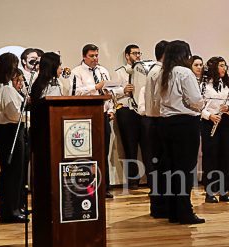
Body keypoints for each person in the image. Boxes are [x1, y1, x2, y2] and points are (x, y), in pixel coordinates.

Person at [155, 40, 206, 224]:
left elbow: (157, 98)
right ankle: (185, 212)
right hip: (185, 123)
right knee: (185, 169)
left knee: (171, 168)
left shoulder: (163, 72)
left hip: (166, 123)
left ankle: (173, 211)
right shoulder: (185, 72)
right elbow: (195, 99)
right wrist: (202, 104)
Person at [70, 44, 121, 199]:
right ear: (84, 56)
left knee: (103, 152)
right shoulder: (76, 72)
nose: (95, 59)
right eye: (91, 56)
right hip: (85, 116)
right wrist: (95, 87)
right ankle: (87, 186)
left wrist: (111, 109)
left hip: (103, 114)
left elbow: (109, 92)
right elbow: (75, 93)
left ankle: (104, 187)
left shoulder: (102, 70)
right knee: (87, 154)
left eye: (96, 55)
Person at [0, 53, 28, 224]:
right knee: (13, 171)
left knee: (10, 171)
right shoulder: (5, 88)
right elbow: (14, 115)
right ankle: (11, 211)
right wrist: (29, 115)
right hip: (9, 131)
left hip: (4, 131)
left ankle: (11, 208)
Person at [200, 56, 229, 203]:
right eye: (221, 65)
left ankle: (224, 191)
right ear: (214, 68)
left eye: (224, 65)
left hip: (225, 122)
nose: (224, 68)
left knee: (226, 157)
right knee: (210, 157)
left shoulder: (227, 84)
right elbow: (198, 106)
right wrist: (209, 116)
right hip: (209, 122)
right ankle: (210, 192)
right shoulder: (204, 85)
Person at [114, 44, 151, 190]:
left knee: (148, 146)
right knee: (130, 146)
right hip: (126, 110)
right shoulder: (119, 72)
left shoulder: (145, 71)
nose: (138, 56)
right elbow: (111, 92)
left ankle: (151, 179)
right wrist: (123, 90)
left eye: (139, 53)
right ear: (127, 55)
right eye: (134, 53)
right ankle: (133, 180)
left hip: (142, 111)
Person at [145, 40, 169, 219]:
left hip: (152, 120)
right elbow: (158, 98)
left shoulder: (152, 70)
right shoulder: (160, 72)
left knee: (157, 165)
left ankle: (158, 205)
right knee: (161, 166)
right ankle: (160, 206)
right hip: (158, 120)